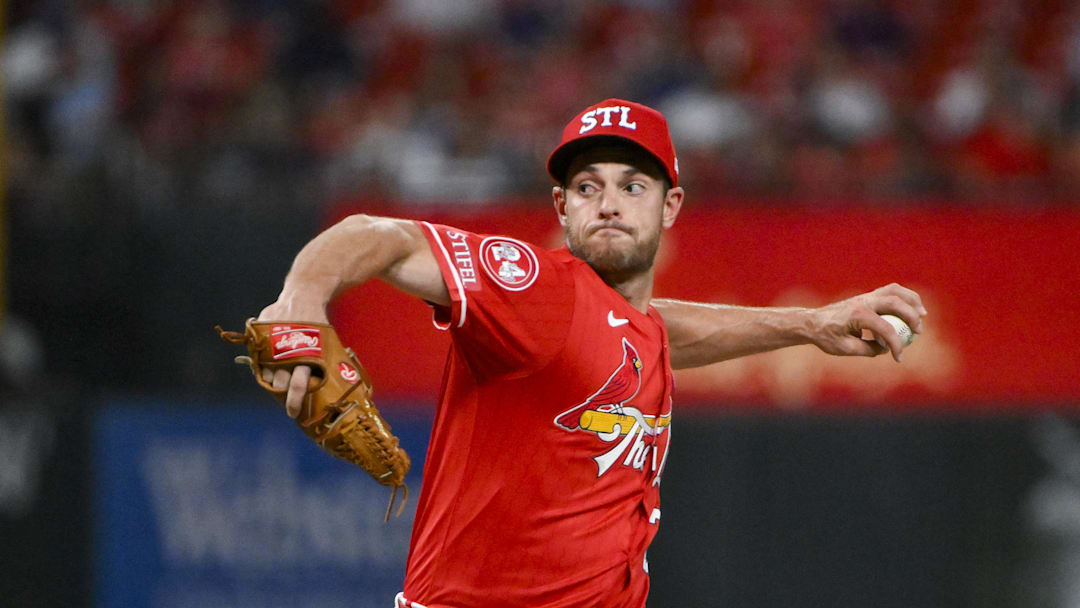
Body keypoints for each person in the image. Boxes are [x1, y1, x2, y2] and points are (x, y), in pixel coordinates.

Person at [254, 99, 926, 607]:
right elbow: (380, 236)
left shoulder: (628, 328)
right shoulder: (535, 288)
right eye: (587, 187)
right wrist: (301, 303)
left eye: (632, 186)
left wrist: (808, 326)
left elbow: (654, 329)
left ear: (671, 207)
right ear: (562, 206)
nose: (607, 203)